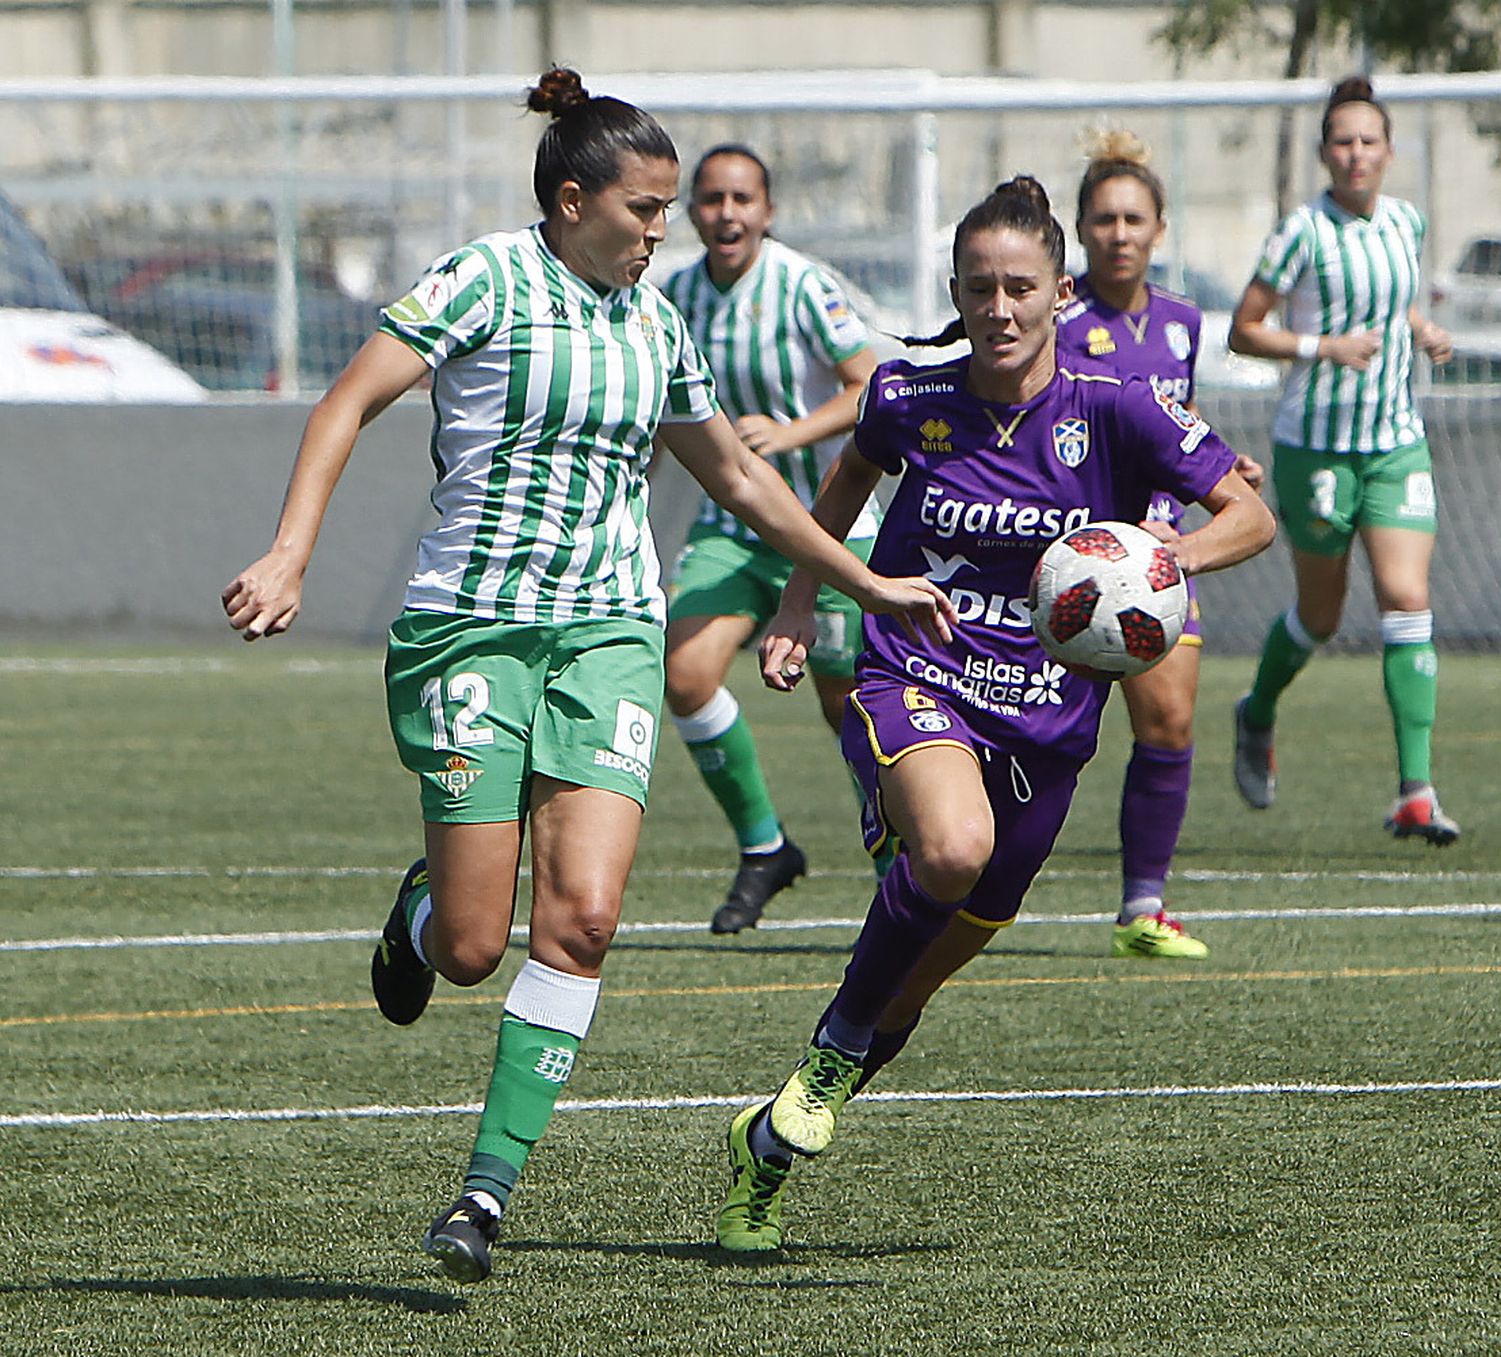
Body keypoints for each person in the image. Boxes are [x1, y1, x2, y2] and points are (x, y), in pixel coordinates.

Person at [221, 67, 953, 1286]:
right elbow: (349, 399)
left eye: (671, 210)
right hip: (470, 631)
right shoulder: (485, 280)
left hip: (607, 632)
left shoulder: (657, 325)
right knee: (469, 944)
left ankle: (482, 1197)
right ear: (572, 201)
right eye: (645, 210)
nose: (663, 231)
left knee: (587, 919)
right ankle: (420, 911)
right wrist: (290, 549)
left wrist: (853, 578)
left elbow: (737, 477)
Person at [712, 175, 1275, 1252]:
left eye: (1021, 287)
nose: (1000, 309)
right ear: (957, 293)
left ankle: (766, 1152)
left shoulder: (1116, 408)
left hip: (1048, 726)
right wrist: (797, 595)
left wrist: (1160, 558)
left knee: (911, 989)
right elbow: (838, 493)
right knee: (954, 848)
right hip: (914, 669)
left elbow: (1247, 516)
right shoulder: (908, 397)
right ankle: (831, 1045)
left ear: (1061, 292)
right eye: (980, 289)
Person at [1228, 75, 1458, 844]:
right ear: (1325, 154)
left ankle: (1416, 791)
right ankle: (1257, 711)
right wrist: (1322, 347)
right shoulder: (1302, 232)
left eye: (1369, 141)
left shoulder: (1407, 223)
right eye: (1342, 142)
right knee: (1321, 616)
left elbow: (1391, 302)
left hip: (1396, 440)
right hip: (1317, 447)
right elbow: (1244, 328)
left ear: (1389, 152)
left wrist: (1420, 327)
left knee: (1405, 593)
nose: (1356, 154)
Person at [659, 144, 880, 934]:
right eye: (712, 199)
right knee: (684, 674)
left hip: (826, 522)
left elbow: (870, 387)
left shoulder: (801, 285)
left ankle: (899, 868)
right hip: (731, 525)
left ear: (768, 210)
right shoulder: (672, 294)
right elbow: (662, 412)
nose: (727, 213)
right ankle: (765, 846)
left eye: (742, 199)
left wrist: (790, 434)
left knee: (844, 702)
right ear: (691, 210)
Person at [1058, 128, 1265, 960]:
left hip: (1156, 559)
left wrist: (1218, 465)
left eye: (1134, 218)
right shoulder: (1059, 320)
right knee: (1045, 734)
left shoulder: (1183, 322)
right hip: (1068, 556)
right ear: (1081, 229)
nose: (1119, 233)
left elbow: (1170, 433)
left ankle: (1143, 906)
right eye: (1104, 218)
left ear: (1160, 229)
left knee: (1171, 725)